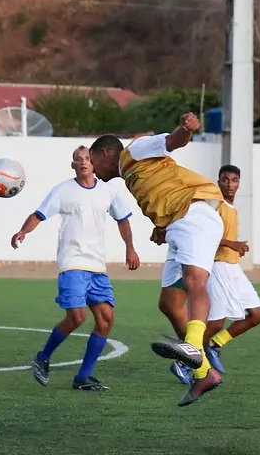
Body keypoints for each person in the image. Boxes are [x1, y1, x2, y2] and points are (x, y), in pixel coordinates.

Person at [88, 113, 225, 406]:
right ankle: (204, 371)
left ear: (106, 153)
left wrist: (185, 130)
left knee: (194, 279)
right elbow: (161, 189)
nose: (93, 170)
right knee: (169, 303)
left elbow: (172, 142)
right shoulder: (129, 173)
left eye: (93, 161)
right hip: (177, 225)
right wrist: (161, 226)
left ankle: (193, 344)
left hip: (195, 213)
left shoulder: (134, 150)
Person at [12, 145, 140, 391]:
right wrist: (23, 231)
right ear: (73, 165)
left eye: (86, 158)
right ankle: (42, 357)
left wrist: (130, 248)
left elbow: (123, 220)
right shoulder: (63, 190)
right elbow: (38, 214)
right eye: (77, 159)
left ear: (93, 162)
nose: (83, 162)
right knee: (77, 317)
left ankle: (83, 377)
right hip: (72, 263)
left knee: (106, 320)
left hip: (97, 266)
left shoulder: (108, 192)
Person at [158, 164, 260, 384]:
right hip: (217, 265)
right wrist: (231, 243)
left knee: (256, 315)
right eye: (225, 180)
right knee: (215, 322)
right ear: (218, 181)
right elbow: (202, 231)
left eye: (234, 180)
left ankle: (214, 346)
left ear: (239, 183)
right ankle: (184, 363)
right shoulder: (214, 205)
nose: (230, 184)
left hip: (233, 267)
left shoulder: (232, 207)